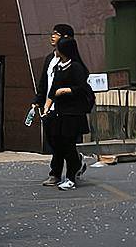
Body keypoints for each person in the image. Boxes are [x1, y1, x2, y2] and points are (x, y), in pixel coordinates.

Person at [35, 24, 88, 185]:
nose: (52, 37)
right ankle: (73, 164)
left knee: (65, 142)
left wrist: (65, 91)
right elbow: (46, 84)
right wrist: (39, 102)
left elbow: (80, 87)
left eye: (57, 34)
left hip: (69, 111)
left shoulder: (75, 66)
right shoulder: (51, 60)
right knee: (54, 141)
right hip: (51, 108)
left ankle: (60, 173)